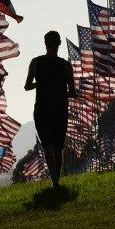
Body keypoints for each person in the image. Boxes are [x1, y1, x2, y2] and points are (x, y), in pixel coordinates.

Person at [24, 31, 76, 187]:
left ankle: (54, 181)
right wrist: (60, 90)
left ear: (45, 43)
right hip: (60, 110)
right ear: (59, 44)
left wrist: (40, 84)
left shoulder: (36, 62)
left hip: (41, 110)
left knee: (48, 146)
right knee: (58, 148)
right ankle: (56, 181)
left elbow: (27, 86)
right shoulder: (66, 66)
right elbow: (72, 92)